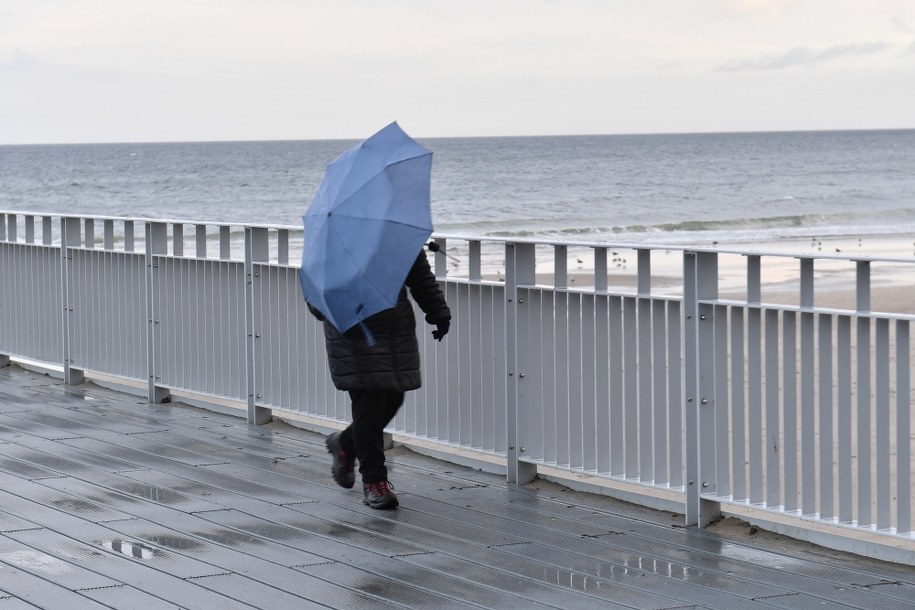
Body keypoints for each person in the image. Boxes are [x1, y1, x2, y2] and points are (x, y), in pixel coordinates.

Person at [308, 247, 451, 509]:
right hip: (354, 333)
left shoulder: (394, 235)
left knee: (394, 398)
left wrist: (438, 311)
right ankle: (375, 482)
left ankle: (345, 443)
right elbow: (316, 302)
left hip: (395, 330)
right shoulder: (333, 241)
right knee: (369, 407)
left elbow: (419, 275)